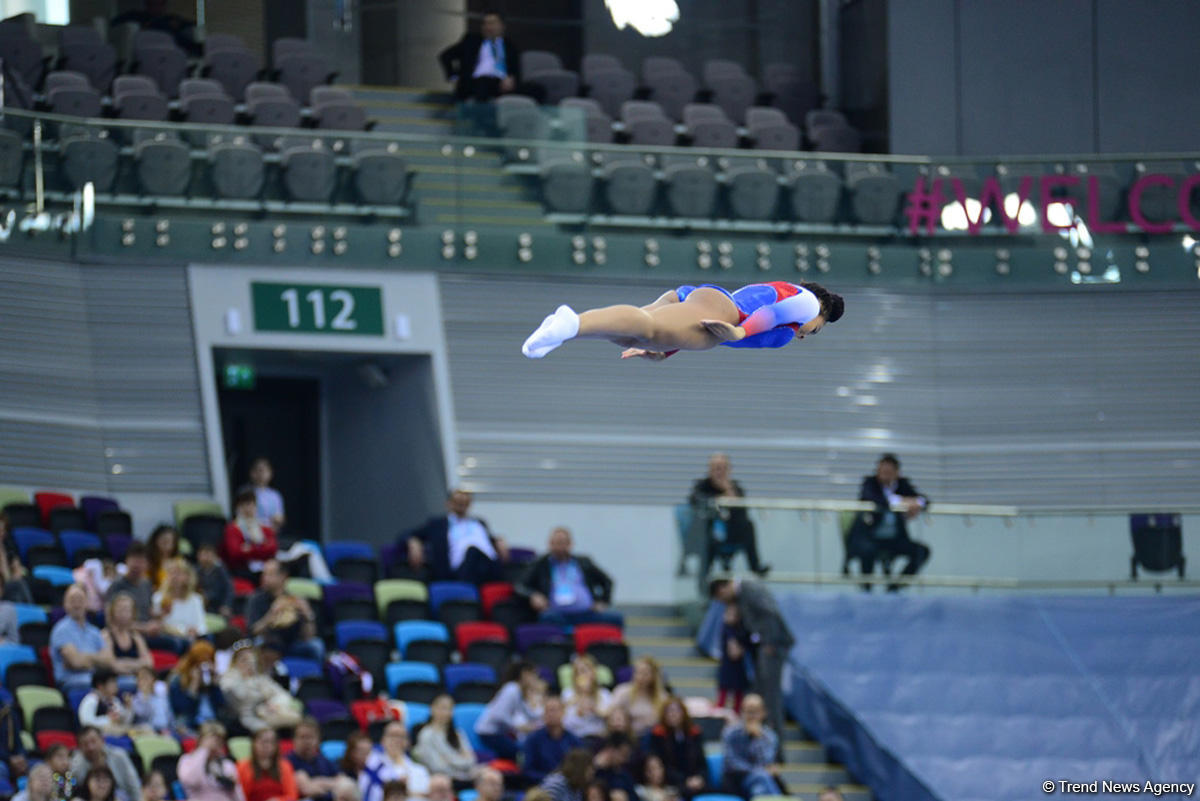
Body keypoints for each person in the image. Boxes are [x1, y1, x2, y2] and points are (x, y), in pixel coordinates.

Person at [521, 280, 843, 360]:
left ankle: (566, 331)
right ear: (822, 313)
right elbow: (772, 314)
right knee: (646, 328)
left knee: (632, 336)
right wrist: (738, 330)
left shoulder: (789, 297)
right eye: (816, 331)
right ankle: (572, 322)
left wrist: (669, 350)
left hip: (705, 303)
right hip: (723, 312)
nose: (807, 333)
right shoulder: (808, 303)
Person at [708, 580, 793, 756]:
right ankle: (766, 748)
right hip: (762, 648)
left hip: (772, 647)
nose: (724, 601)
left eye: (721, 597)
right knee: (761, 694)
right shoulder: (740, 598)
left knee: (770, 698)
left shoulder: (749, 589)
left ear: (724, 587)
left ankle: (776, 751)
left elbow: (770, 613)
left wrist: (770, 642)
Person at [847, 453, 932, 590]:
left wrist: (916, 502)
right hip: (871, 537)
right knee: (867, 551)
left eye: (888, 471)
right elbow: (872, 499)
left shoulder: (903, 484)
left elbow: (925, 501)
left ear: (896, 473)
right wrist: (901, 501)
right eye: (881, 471)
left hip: (895, 540)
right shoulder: (870, 483)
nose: (884, 475)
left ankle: (896, 587)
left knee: (922, 551)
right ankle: (866, 590)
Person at [398, 489, 510, 584]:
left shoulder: (479, 523)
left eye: (465, 502)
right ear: (448, 503)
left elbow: (488, 541)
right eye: (458, 501)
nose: (461, 505)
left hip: (488, 565)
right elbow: (405, 534)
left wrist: (499, 540)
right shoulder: (438, 524)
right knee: (472, 550)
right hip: (460, 570)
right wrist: (413, 542)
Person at [516, 528, 622, 627]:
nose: (560, 547)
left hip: (587, 612)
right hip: (557, 614)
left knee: (616, 618)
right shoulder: (540, 564)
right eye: (556, 543)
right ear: (550, 544)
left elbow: (607, 581)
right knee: (546, 618)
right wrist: (534, 596)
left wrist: (602, 601)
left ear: (570, 544)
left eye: (563, 543)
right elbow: (520, 585)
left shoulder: (584, 562)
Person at [689, 454, 769, 578]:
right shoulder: (702, 486)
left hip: (731, 533)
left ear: (729, 470)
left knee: (749, 526)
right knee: (709, 535)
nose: (719, 472)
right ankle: (704, 576)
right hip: (708, 534)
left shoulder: (736, 488)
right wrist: (718, 499)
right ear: (709, 470)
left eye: (723, 468)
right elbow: (695, 501)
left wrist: (729, 491)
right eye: (716, 468)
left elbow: (742, 511)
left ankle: (755, 567)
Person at [245, 559, 323, 662]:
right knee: (263, 646)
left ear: (283, 576)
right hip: (268, 644)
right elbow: (253, 631)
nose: (264, 578)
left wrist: (307, 614)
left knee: (316, 645)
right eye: (264, 574)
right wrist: (271, 614)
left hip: (291, 644)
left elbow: (309, 636)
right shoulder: (256, 599)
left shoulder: (294, 599)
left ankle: (314, 677)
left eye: (270, 574)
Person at [438, 11, 523, 102]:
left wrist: (511, 79)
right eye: (485, 24)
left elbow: (516, 70)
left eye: (492, 23)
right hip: (475, 82)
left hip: (501, 83)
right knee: (483, 82)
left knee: (535, 89)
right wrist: (454, 77)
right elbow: (445, 56)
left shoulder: (510, 46)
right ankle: (479, 114)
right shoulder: (471, 41)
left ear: (502, 26)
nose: (488, 27)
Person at [220, 642, 302, 732]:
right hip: (247, 715)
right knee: (265, 731)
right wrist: (243, 677)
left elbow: (282, 694)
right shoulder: (229, 678)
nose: (249, 663)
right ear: (235, 660)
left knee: (297, 720)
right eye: (244, 660)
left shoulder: (261, 678)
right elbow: (238, 697)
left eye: (252, 659)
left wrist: (274, 704)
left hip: (269, 711)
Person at [473, 661, 544, 760]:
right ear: (524, 674)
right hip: (489, 733)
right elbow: (498, 716)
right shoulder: (511, 689)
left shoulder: (518, 690)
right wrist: (518, 727)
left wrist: (545, 716)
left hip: (499, 733)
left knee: (526, 748)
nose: (535, 680)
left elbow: (527, 713)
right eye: (534, 676)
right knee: (520, 752)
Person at [50, 584, 111, 692]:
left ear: (87, 603)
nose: (77, 604)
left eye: (80, 600)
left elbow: (108, 661)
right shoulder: (61, 630)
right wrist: (97, 660)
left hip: (96, 681)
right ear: (65, 604)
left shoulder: (94, 631)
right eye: (72, 600)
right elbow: (75, 662)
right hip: (72, 683)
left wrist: (84, 658)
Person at [719, 695, 781, 800]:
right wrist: (757, 770)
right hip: (736, 779)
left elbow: (767, 761)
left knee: (758, 790)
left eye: (755, 711)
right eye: (748, 711)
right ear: (742, 712)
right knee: (761, 777)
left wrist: (758, 739)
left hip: (760, 780)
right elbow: (731, 762)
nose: (752, 715)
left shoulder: (769, 736)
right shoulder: (730, 733)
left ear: (763, 713)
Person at [104, 542, 166, 646]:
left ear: (148, 564)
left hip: (149, 632)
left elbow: (150, 612)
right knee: (175, 644)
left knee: (183, 642)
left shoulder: (146, 584)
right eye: (134, 560)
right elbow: (111, 621)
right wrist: (144, 628)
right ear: (126, 561)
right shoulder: (116, 585)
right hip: (128, 635)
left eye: (142, 561)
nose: (137, 565)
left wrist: (159, 619)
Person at [647, 698, 706, 799]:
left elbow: (702, 762)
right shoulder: (658, 735)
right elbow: (662, 764)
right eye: (669, 711)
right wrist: (684, 780)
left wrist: (699, 778)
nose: (673, 714)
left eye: (677, 711)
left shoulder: (694, 733)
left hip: (694, 779)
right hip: (671, 781)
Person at [411, 695, 477, 784]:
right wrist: (459, 759)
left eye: (449, 709)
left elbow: (471, 760)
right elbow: (437, 767)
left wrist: (448, 759)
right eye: (442, 708)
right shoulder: (426, 735)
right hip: (442, 779)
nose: (446, 712)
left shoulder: (458, 733)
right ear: (432, 709)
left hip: (464, 776)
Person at [361, 722, 430, 801]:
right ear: (383, 740)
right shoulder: (372, 763)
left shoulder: (420, 771)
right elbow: (366, 791)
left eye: (401, 737)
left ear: (407, 742)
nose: (396, 740)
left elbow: (424, 797)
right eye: (392, 735)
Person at [522, 694, 583, 783]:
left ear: (563, 713)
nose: (550, 714)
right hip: (541, 786)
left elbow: (579, 769)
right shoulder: (533, 739)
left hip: (568, 786)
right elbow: (527, 771)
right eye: (547, 711)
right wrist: (550, 779)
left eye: (554, 710)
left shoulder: (574, 741)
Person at [177, 721, 243, 801]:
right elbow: (191, 780)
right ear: (200, 740)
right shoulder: (187, 760)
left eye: (219, 741)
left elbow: (239, 795)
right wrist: (204, 749)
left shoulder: (227, 764)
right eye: (211, 740)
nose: (215, 744)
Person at [100, 592, 154, 688]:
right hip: (115, 681)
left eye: (127, 610)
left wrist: (124, 662)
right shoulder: (106, 635)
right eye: (120, 609)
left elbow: (149, 663)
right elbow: (112, 665)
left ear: (132, 613)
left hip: (137, 678)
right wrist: (138, 664)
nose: (123, 613)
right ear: (113, 612)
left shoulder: (135, 636)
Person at [169, 640, 225, 732]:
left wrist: (215, 685)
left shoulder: (210, 679)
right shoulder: (178, 679)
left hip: (213, 722)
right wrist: (194, 685)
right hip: (189, 722)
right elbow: (181, 708)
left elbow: (221, 705)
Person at [70, 727, 141, 801]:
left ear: (102, 740)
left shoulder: (119, 756)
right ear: (79, 748)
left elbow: (133, 784)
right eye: (85, 744)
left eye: (93, 741)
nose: (91, 747)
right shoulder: (76, 765)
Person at [111, 0, 199, 54]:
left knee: (179, 37)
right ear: (147, 4)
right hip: (148, 48)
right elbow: (115, 22)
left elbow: (190, 23)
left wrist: (177, 25)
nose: (156, 7)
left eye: (160, 4)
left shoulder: (170, 19)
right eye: (153, 4)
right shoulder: (137, 16)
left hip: (171, 48)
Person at [224, 489, 278, 576]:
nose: (248, 508)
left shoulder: (265, 528)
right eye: (244, 505)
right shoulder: (232, 529)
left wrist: (249, 549)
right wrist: (262, 547)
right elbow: (234, 554)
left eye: (251, 504)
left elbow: (272, 549)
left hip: (264, 571)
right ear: (237, 507)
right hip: (242, 571)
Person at [609, 657, 668, 737]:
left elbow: (664, 719)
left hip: (651, 736)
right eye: (638, 672)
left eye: (645, 673)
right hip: (627, 735)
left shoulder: (662, 697)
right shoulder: (622, 691)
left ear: (653, 676)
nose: (641, 677)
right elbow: (612, 714)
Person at [237, 728, 298, 801]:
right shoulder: (242, 766)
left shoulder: (285, 765)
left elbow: (292, 796)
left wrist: (278, 800)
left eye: (271, 742)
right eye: (263, 742)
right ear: (254, 743)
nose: (267, 745)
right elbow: (240, 796)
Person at [153, 558, 207, 639]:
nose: (174, 576)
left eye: (178, 573)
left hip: (191, 637)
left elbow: (201, 626)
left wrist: (196, 630)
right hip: (169, 636)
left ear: (188, 577)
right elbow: (157, 624)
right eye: (171, 573)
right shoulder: (158, 597)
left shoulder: (196, 599)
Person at [287, 718, 340, 801]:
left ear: (318, 740)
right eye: (302, 737)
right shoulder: (287, 762)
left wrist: (319, 782)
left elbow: (343, 782)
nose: (307, 741)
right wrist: (330, 785)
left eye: (311, 737)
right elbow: (307, 790)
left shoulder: (323, 760)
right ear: (294, 740)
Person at [561, 655, 610, 742]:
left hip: (598, 737)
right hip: (574, 737)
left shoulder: (604, 693)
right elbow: (564, 722)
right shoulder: (567, 693)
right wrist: (578, 711)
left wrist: (595, 710)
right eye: (578, 673)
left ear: (593, 673)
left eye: (584, 671)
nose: (582, 675)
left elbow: (610, 718)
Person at [716, 605, 750, 713]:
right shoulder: (726, 629)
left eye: (734, 615)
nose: (730, 617)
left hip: (738, 667)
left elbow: (743, 647)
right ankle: (720, 711)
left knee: (738, 692)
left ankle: (736, 712)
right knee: (724, 691)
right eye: (728, 614)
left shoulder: (741, 630)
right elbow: (733, 652)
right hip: (727, 666)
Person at [77, 668, 132, 733]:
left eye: (115, 681)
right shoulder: (90, 700)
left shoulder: (114, 700)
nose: (116, 685)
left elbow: (125, 722)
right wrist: (108, 720)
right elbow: (86, 723)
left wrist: (128, 707)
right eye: (112, 682)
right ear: (100, 686)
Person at [196, 542, 235, 618]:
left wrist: (226, 605)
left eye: (208, 555)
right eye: (203, 554)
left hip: (218, 605)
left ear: (215, 556)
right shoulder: (196, 571)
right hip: (202, 605)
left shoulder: (221, 571)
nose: (206, 558)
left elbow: (229, 589)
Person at [248, 458, 287, 532]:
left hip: (271, 533)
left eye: (264, 471)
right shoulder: (245, 492)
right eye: (258, 470)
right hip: (250, 532)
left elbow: (280, 519)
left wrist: (277, 521)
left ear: (270, 473)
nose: (261, 474)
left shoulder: (275, 495)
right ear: (252, 473)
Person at [128, 666, 171, 733]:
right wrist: (145, 697)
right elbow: (142, 714)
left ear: (153, 679)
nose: (143, 681)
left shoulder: (161, 691)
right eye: (140, 679)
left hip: (165, 728)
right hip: (146, 729)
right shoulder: (136, 698)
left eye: (145, 678)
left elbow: (167, 714)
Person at [146, 525, 180, 589]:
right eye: (164, 541)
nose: (167, 544)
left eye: (170, 541)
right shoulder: (148, 561)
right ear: (156, 540)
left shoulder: (179, 561)